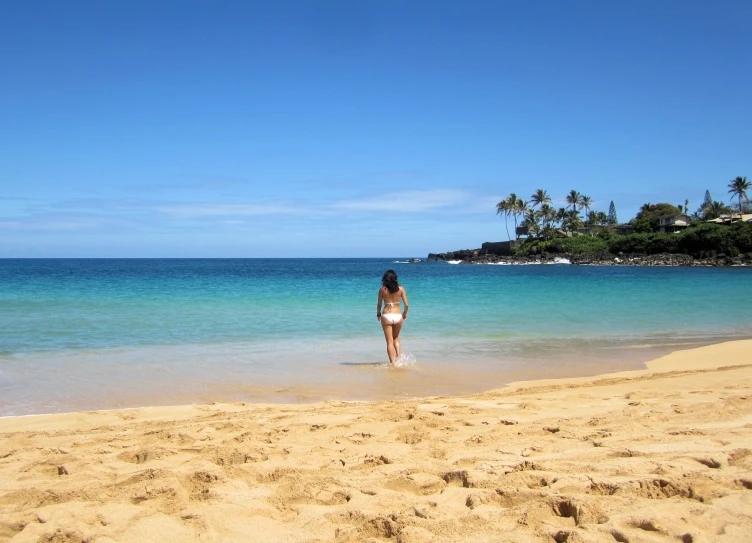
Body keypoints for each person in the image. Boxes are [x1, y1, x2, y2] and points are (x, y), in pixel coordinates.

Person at [376, 269, 409, 365]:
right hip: (398, 315)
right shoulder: (401, 289)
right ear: (395, 278)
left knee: (389, 341)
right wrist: (404, 314)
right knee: (396, 337)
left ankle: (393, 364)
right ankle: (399, 356)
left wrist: (378, 314)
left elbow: (379, 304)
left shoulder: (382, 290)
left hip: (386, 315)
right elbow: (406, 305)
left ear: (385, 279)